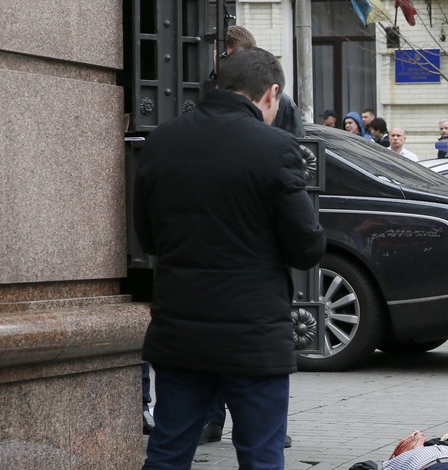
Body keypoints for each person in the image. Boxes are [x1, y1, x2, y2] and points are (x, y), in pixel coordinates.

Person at [135, 47, 326, 469]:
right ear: (271, 93)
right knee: (260, 456)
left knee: (167, 453)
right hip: (253, 339)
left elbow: (147, 238)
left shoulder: (162, 141)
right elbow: (306, 248)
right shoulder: (276, 147)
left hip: (180, 333)